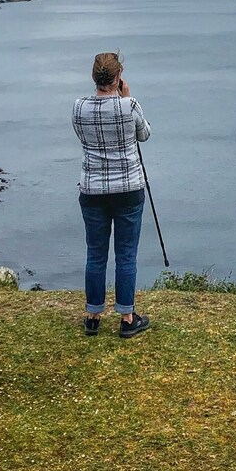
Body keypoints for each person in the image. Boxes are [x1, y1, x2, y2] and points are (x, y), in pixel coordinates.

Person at [72, 52, 152, 338]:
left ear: (94, 77)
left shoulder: (79, 107)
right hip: (129, 188)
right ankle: (127, 318)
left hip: (92, 189)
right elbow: (145, 135)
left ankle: (93, 316)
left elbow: (83, 137)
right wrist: (125, 98)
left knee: (95, 253)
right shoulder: (129, 106)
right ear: (118, 77)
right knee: (126, 254)